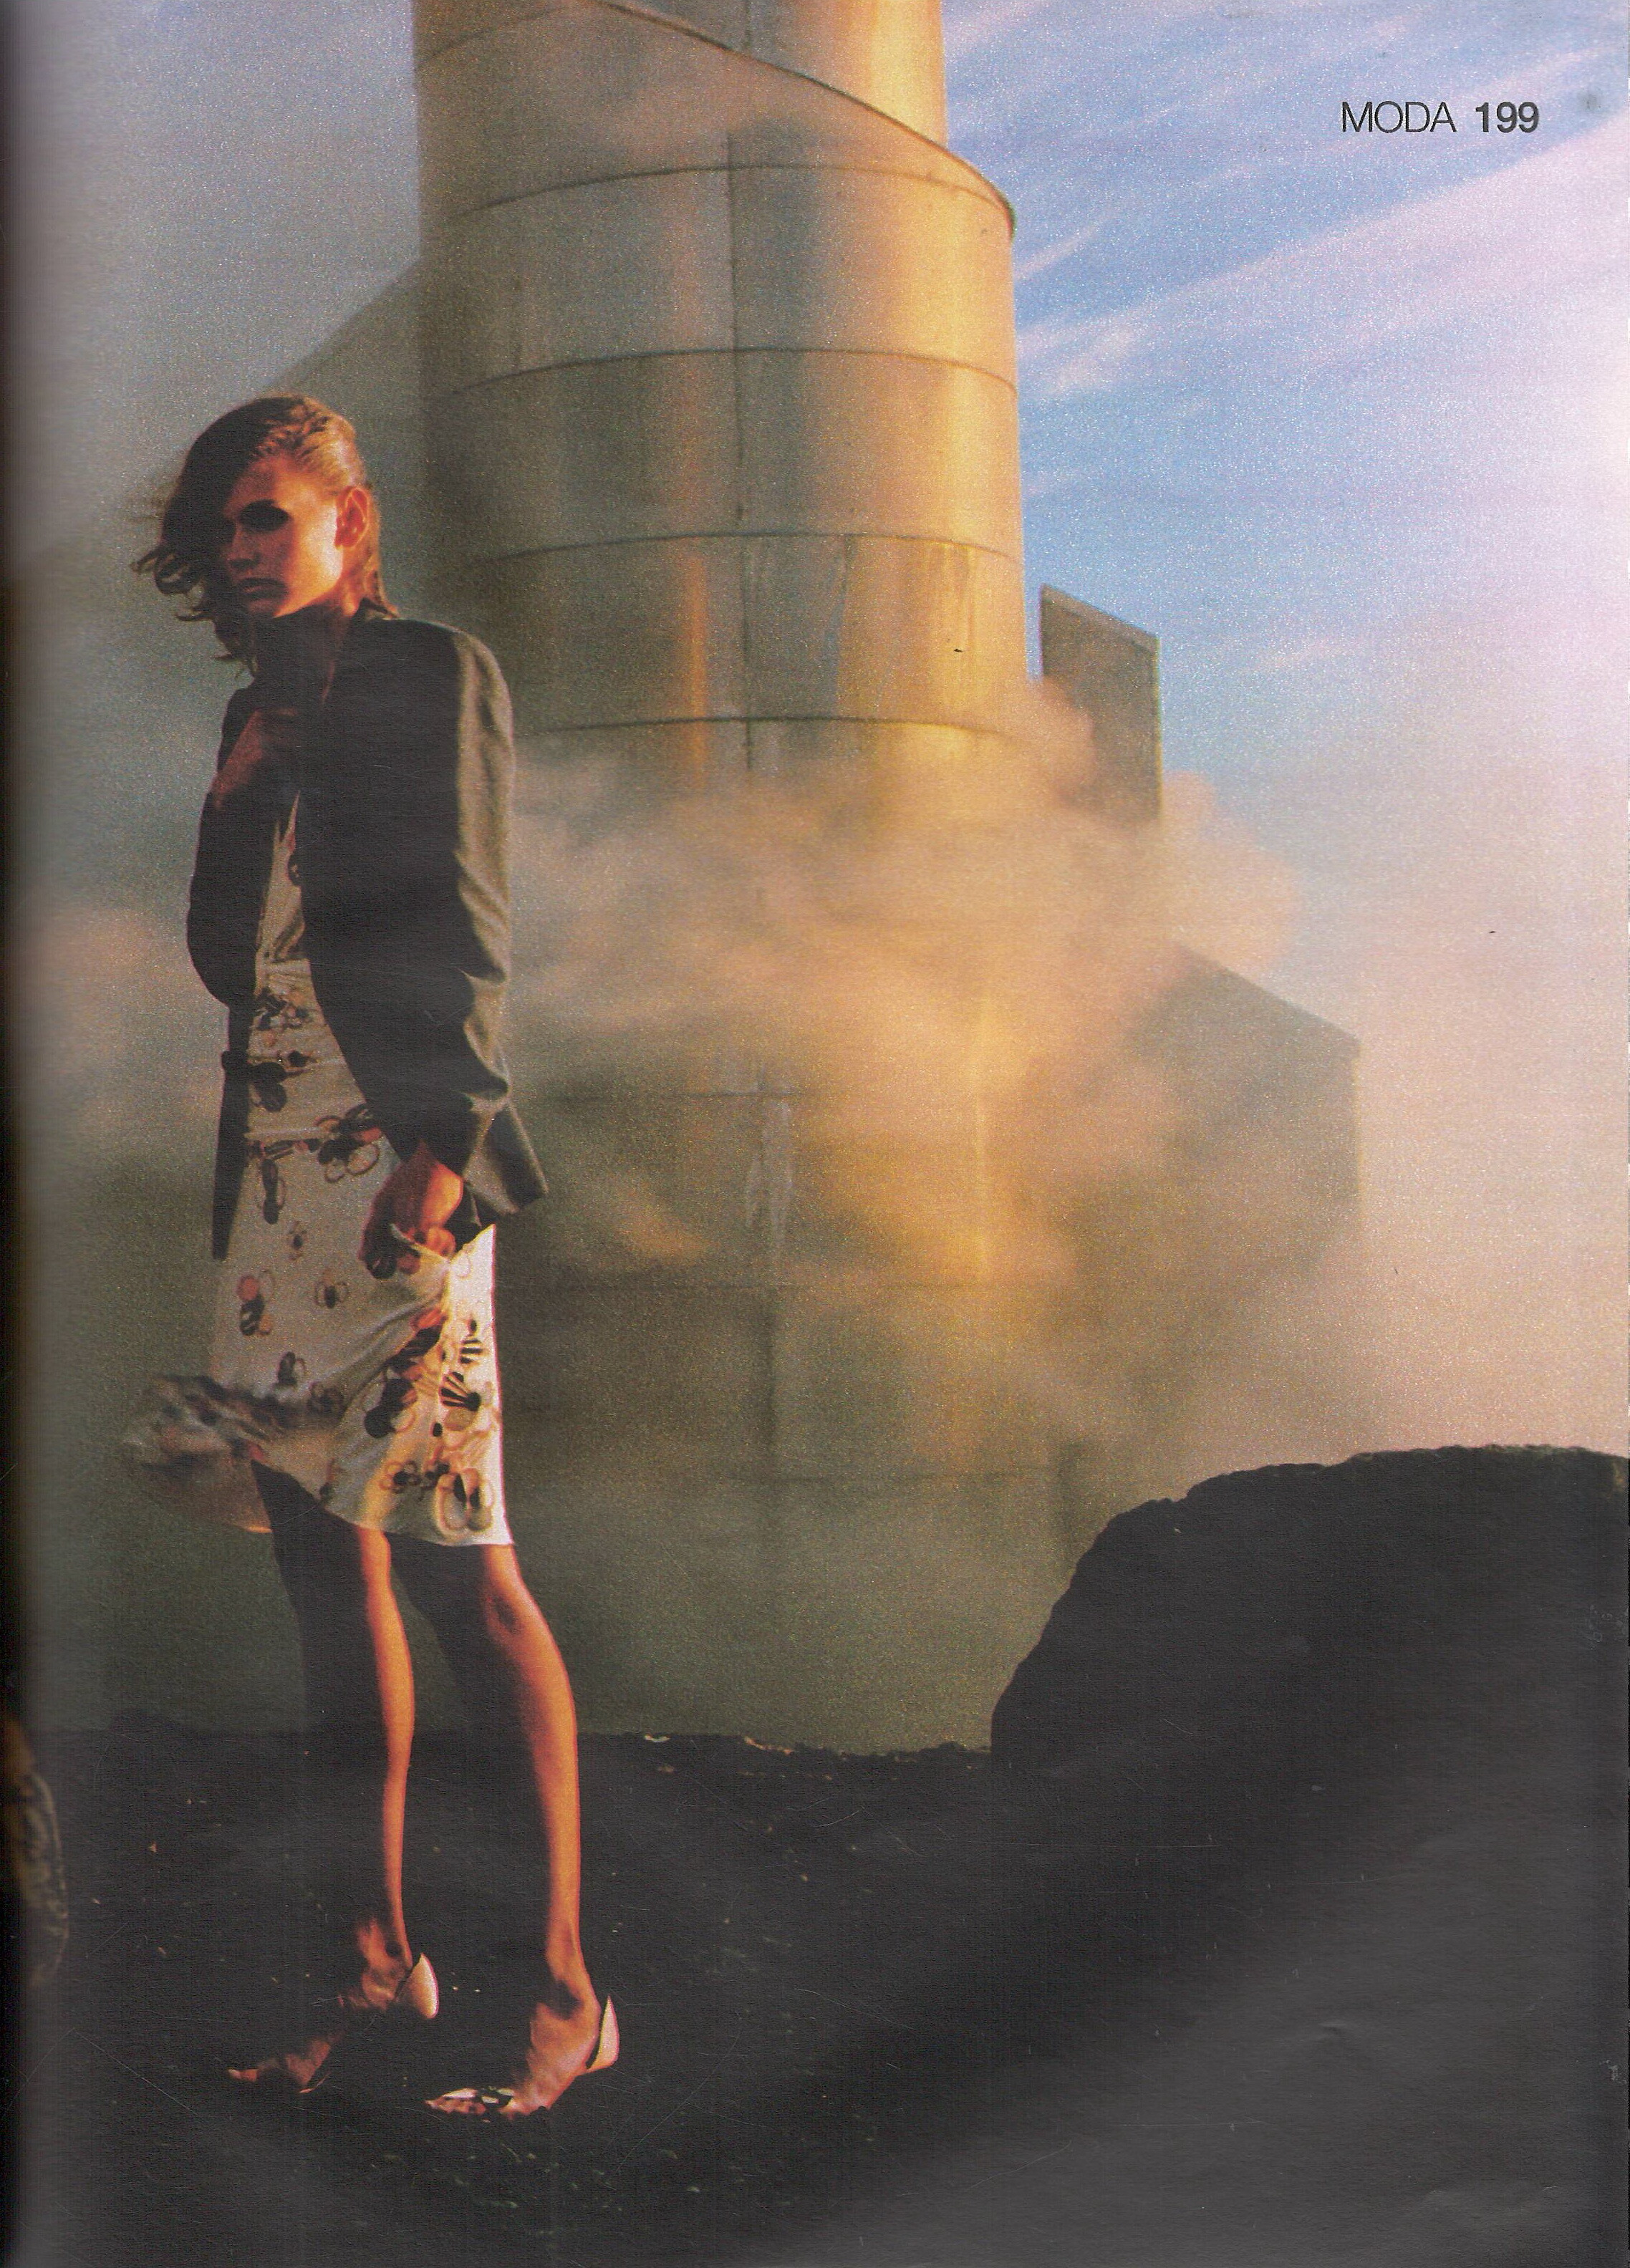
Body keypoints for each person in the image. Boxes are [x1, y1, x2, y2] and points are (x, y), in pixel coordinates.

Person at [132, 395, 614, 2116]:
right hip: (272, 1187)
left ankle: (564, 1991)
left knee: (464, 1575)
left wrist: (448, 1142)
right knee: (322, 1586)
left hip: (394, 1163)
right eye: (227, 529)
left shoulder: (428, 675)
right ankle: (371, 1961)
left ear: (354, 518)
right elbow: (226, 961)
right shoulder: (256, 713)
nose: (246, 550)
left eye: (269, 514)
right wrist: (230, 801)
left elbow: (468, 910)